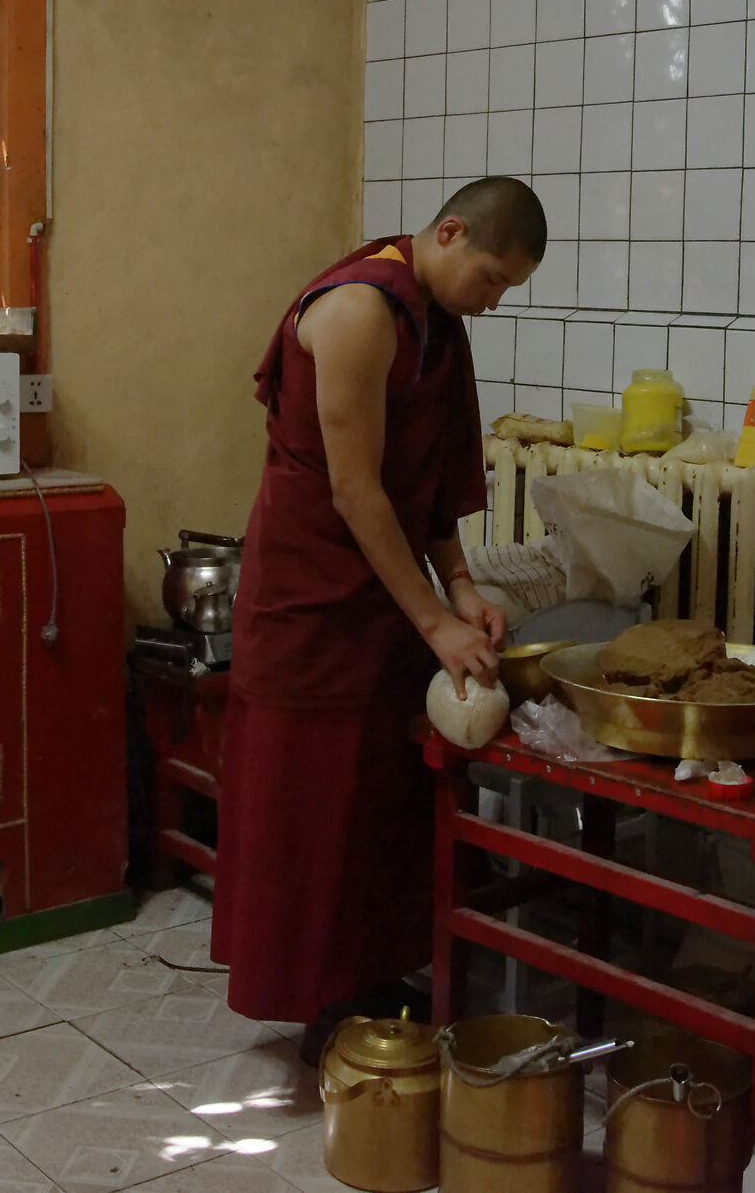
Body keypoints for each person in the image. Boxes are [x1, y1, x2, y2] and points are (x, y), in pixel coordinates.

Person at [210, 177, 547, 1060]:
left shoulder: (439, 323)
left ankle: (365, 979)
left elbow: (427, 477)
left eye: (508, 288)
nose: (494, 300)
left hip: (384, 585)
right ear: (448, 233)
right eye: (491, 278)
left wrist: (463, 587)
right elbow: (358, 489)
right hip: (314, 588)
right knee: (312, 799)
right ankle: (316, 992)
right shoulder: (361, 309)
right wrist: (437, 623)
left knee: (378, 798)